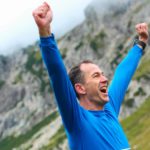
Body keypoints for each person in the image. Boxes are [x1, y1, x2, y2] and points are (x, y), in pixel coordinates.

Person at [32, 2, 149, 150]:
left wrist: (141, 43)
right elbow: (57, 74)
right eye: (96, 76)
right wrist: (45, 31)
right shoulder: (77, 120)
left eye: (103, 74)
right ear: (80, 88)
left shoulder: (109, 109)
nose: (105, 79)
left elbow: (122, 75)